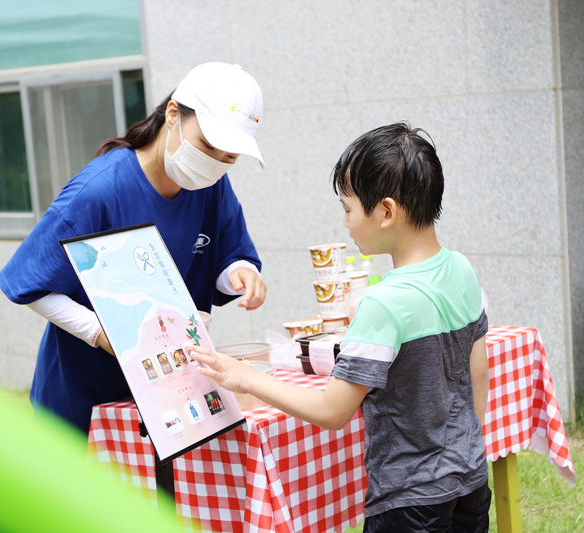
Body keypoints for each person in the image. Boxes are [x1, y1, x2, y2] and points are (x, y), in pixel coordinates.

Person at [190, 123, 491, 533]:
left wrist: (243, 377)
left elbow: (332, 411)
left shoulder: (383, 303)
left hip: (410, 502)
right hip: (471, 481)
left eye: (348, 209)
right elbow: (478, 375)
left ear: (386, 212)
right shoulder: (461, 269)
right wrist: (461, 452)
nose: (345, 222)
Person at [0, 62, 268, 434]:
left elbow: (229, 257)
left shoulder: (212, 184)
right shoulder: (99, 191)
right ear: (172, 114)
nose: (214, 164)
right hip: (85, 398)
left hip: (170, 395)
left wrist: (240, 274)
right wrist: (102, 333)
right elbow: (31, 284)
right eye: (207, 146)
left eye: (230, 158)